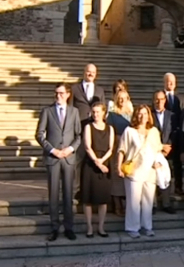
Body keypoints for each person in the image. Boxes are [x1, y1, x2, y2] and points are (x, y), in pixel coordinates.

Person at [35, 82, 81, 241]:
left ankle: (69, 226)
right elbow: (39, 135)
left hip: (68, 158)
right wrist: (53, 150)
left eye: (61, 93)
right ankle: (54, 227)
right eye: (56, 93)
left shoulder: (74, 112)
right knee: (53, 194)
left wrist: (70, 149)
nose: (58, 96)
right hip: (53, 158)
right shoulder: (47, 111)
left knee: (68, 194)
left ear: (68, 94)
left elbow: (78, 136)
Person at [117, 105, 163, 238]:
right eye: (140, 114)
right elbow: (122, 149)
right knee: (133, 201)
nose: (143, 116)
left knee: (148, 201)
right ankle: (132, 227)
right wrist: (119, 167)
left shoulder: (154, 131)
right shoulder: (129, 131)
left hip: (150, 170)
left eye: (145, 113)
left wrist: (158, 162)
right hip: (134, 171)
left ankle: (147, 226)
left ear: (149, 115)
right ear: (136, 116)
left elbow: (158, 149)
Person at [71, 63, 106, 199]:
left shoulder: (100, 90)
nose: (90, 74)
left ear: (96, 74)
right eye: (88, 71)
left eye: (93, 72)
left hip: (94, 130)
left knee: (92, 161)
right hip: (79, 130)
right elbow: (70, 108)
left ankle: (90, 192)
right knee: (78, 161)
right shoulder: (74, 89)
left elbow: (103, 109)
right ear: (84, 72)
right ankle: (75, 191)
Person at [82, 103, 115, 238]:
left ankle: (101, 226)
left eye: (98, 112)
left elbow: (111, 148)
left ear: (104, 113)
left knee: (103, 198)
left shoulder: (110, 128)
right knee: (88, 198)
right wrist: (97, 162)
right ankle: (89, 227)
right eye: (93, 112)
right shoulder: (88, 127)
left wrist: (102, 162)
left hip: (105, 162)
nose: (96, 114)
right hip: (91, 163)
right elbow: (87, 147)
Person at [106, 90, 133, 216]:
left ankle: (129, 206)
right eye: (119, 98)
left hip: (130, 151)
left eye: (124, 98)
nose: (122, 101)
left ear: (128, 99)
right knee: (117, 179)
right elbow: (109, 132)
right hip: (117, 149)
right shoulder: (112, 115)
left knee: (128, 178)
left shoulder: (132, 114)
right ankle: (117, 207)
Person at [152, 90, 177, 214]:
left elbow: (174, 132)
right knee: (153, 177)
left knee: (167, 177)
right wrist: (160, 147)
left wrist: (169, 146)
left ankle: (166, 203)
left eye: (161, 99)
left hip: (168, 151)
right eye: (157, 99)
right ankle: (153, 204)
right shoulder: (149, 115)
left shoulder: (171, 115)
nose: (159, 102)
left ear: (165, 100)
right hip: (153, 151)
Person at [163, 72, 184, 196]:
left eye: (173, 81)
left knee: (177, 163)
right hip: (164, 136)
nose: (171, 83)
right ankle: (162, 190)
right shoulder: (160, 97)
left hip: (177, 135)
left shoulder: (180, 98)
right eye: (168, 81)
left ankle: (178, 187)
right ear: (164, 83)